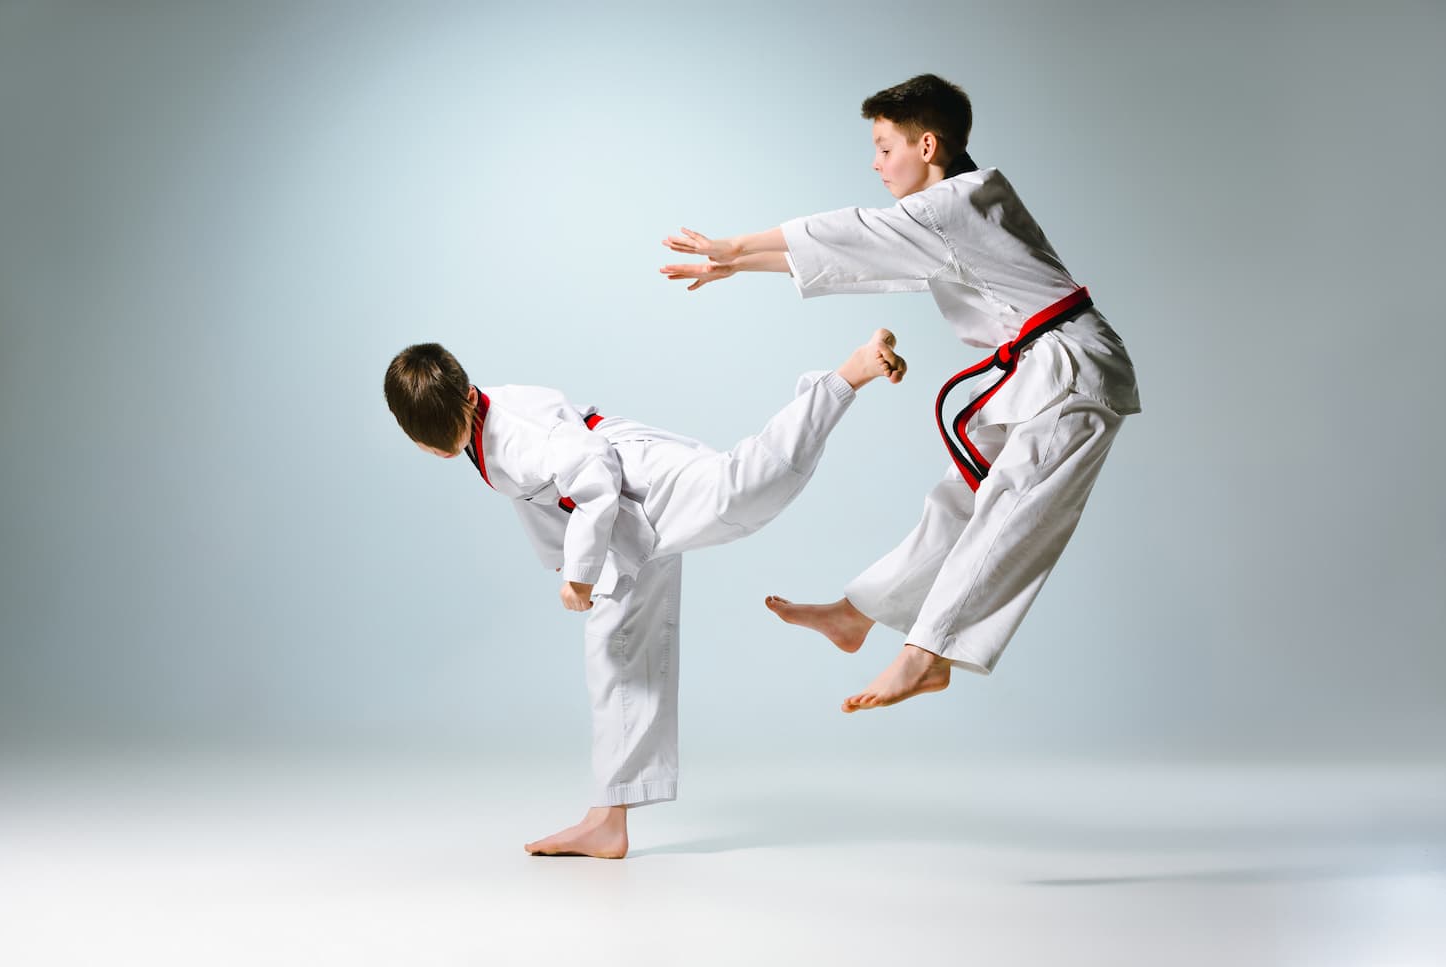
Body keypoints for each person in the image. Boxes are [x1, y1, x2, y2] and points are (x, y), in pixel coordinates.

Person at [660, 73, 1141, 713]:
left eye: (885, 147)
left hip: (1073, 373)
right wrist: (736, 262)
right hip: (1039, 372)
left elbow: (853, 234)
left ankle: (928, 655)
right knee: (959, 502)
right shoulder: (962, 204)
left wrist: (736, 247)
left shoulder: (952, 208)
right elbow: (863, 251)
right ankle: (858, 614)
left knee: (1011, 508)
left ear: (927, 146)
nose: (876, 162)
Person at [384, 330, 905, 858]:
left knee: (744, 487)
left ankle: (847, 376)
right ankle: (608, 820)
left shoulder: (516, 438)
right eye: (428, 444)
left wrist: (580, 574)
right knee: (616, 649)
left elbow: (590, 472)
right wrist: (569, 563)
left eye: (443, 437)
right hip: (616, 522)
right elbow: (540, 497)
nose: (438, 450)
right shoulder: (476, 419)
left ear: (468, 397)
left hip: (634, 481)